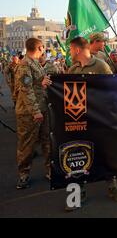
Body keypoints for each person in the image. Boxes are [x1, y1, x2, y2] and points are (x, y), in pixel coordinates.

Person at [65, 37, 117, 210]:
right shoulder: (73, 69)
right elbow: (65, 91)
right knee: (78, 155)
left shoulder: (101, 66)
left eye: (70, 49)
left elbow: (112, 90)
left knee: (104, 153)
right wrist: (48, 84)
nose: (70, 52)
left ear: (77, 50)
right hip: (79, 121)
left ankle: (112, 186)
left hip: (100, 119)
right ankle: (79, 192)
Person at [14, 38, 52, 189]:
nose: (44, 50)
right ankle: (23, 174)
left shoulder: (35, 62)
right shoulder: (25, 65)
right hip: (28, 113)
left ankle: (50, 170)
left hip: (42, 108)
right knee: (27, 145)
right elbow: (26, 90)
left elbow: (36, 84)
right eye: (43, 47)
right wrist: (35, 111)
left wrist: (43, 82)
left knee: (47, 141)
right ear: (39, 47)